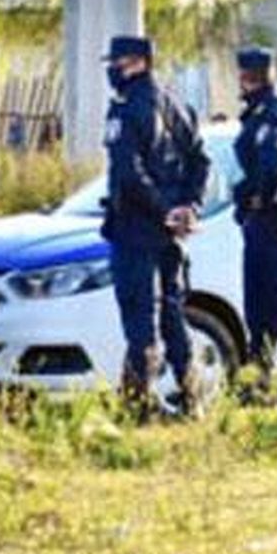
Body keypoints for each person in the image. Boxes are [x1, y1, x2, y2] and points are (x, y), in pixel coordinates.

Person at [100, 35, 210, 418]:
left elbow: (129, 172)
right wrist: (188, 207)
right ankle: (191, 397)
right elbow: (201, 162)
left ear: (141, 62)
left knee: (140, 317)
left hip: (136, 227)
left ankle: (138, 406)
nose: (114, 71)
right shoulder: (177, 102)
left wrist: (168, 209)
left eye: (121, 63)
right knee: (173, 314)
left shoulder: (126, 108)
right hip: (170, 232)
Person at [232, 46, 277, 403]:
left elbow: (274, 167)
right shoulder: (260, 112)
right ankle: (258, 383)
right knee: (259, 308)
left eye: (243, 75)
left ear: (251, 77)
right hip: (262, 223)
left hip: (270, 222)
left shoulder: (270, 114)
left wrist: (258, 199)